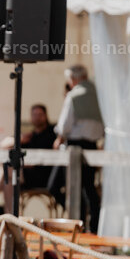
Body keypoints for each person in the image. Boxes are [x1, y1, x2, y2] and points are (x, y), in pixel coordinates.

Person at [49, 65, 104, 231]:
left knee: (57, 185)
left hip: (74, 146)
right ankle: (92, 224)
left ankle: (78, 220)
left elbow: (65, 125)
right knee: (88, 187)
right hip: (92, 145)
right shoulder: (100, 96)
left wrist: (59, 139)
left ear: (73, 79)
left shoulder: (74, 96)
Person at [0, 104, 56, 213]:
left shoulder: (51, 134)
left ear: (45, 116)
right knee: (8, 181)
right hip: (25, 176)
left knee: (8, 170)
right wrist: (20, 139)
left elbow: (40, 161)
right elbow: (3, 145)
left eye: (40, 114)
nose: (37, 117)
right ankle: (9, 217)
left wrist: (24, 163)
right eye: (34, 115)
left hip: (44, 177)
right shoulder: (31, 136)